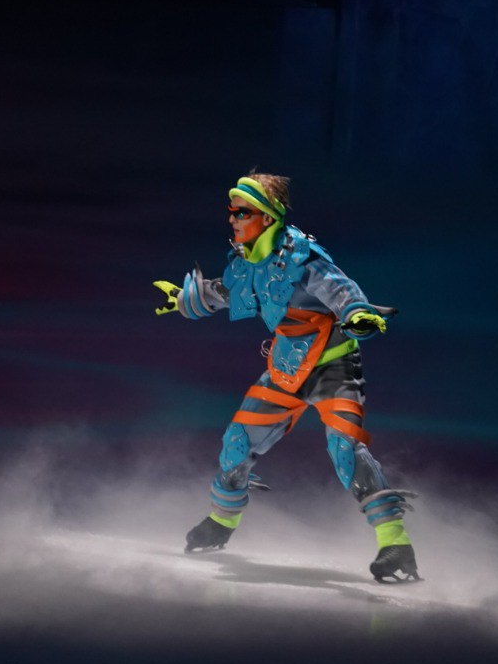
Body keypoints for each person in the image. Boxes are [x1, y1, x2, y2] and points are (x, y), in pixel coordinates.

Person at [154, 173, 420, 582]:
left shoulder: (303, 257)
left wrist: (357, 313)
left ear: (267, 216)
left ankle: (396, 544)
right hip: (286, 370)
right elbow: (229, 292)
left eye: (242, 212)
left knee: (345, 449)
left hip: (334, 368)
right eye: (232, 211)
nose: (233, 219)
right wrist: (189, 298)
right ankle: (221, 521)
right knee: (237, 442)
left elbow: (342, 290)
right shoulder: (247, 262)